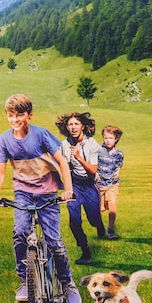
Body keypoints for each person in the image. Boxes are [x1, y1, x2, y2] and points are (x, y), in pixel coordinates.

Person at [0, 94, 82, 303]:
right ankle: (25, 281)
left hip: (48, 193)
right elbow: (1, 171)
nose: (15, 119)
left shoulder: (40, 135)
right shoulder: (5, 139)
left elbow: (62, 162)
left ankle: (67, 283)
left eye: (20, 114)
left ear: (29, 115)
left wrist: (68, 190)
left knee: (54, 241)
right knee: (20, 232)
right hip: (23, 192)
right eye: (11, 115)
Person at [55, 112, 107, 265]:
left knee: (93, 218)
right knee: (74, 220)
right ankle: (85, 252)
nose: (73, 127)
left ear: (83, 126)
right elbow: (62, 166)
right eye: (70, 124)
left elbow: (92, 170)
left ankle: (99, 225)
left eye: (76, 124)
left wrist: (78, 156)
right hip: (75, 185)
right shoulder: (64, 145)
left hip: (89, 184)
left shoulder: (92, 144)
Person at [97, 125, 125, 239]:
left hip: (113, 183)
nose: (107, 140)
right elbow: (93, 163)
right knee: (101, 208)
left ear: (116, 139)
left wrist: (118, 172)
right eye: (105, 138)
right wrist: (95, 174)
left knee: (113, 204)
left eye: (110, 138)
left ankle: (111, 229)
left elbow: (119, 165)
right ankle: (100, 227)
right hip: (100, 184)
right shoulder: (98, 150)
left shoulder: (119, 154)